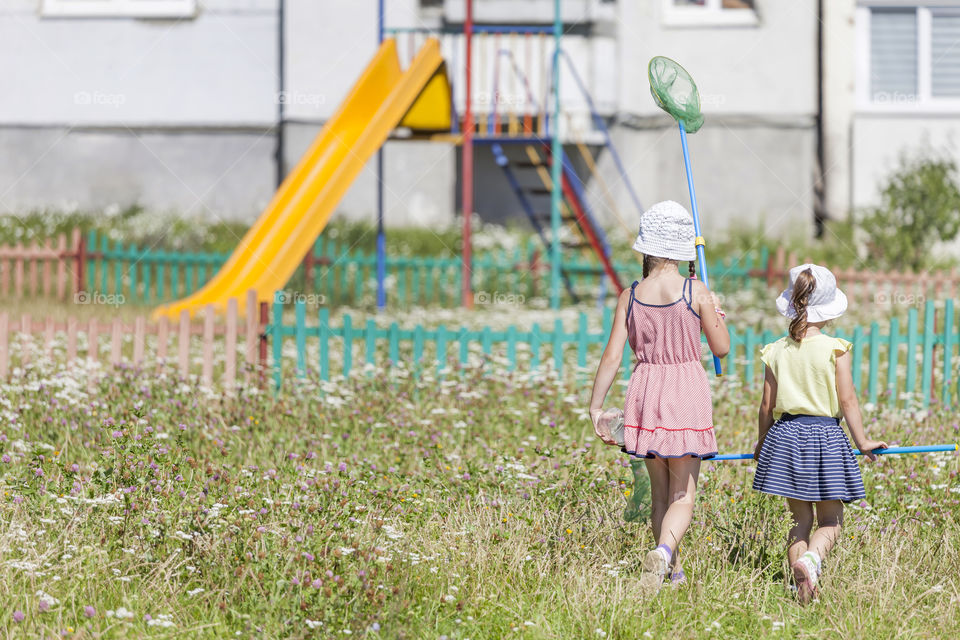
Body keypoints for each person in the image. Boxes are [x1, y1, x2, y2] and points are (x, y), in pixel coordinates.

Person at [589, 200, 729, 594]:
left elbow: (613, 354)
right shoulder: (695, 290)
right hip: (684, 392)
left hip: (646, 392)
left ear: (647, 248)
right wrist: (714, 311)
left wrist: (596, 406)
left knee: (659, 496)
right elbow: (721, 348)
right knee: (683, 495)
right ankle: (666, 551)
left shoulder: (630, 295)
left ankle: (672, 573)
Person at [753, 264, 887, 604]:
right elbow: (848, 400)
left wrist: (761, 443)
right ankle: (812, 560)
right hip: (825, 437)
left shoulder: (775, 351)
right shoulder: (835, 348)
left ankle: (802, 589)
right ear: (826, 310)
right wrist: (863, 441)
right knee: (831, 519)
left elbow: (766, 407)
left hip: (785, 438)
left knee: (800, 519)